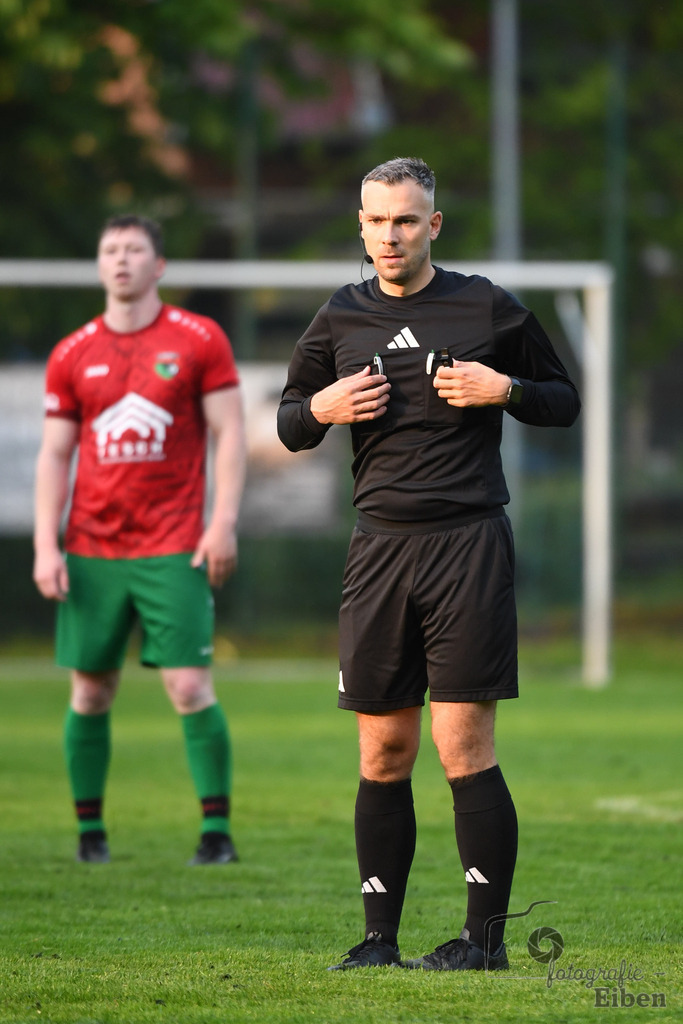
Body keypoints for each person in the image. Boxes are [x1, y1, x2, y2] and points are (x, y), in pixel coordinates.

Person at [277, 158, 580, 971]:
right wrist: (320, 407)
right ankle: (378, 941)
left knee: (461, 745)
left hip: (467, 545)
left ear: (433, 225)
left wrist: (504, 388)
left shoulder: (485, 305)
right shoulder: (340, 316)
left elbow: (562, 400)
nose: (390, 235)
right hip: (378, 550)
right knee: (382, 751)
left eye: (405, 220)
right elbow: (289, 422)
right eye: (376, 220)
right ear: (361, 225)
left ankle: (484, 943)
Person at [33, 214, 246, 866]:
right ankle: (90, 834)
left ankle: (216, 833)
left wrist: (222, 521)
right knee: (91, 691)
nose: (120, 259)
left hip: (175, 543)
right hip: (92, 547)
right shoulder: (72, 352)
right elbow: (55, 454)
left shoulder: (198, 339)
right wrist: (45, 544)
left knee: (189, 686)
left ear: (159, 266)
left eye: (133, 249)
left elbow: (230, 433)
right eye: (110, 250)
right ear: (100, 264)